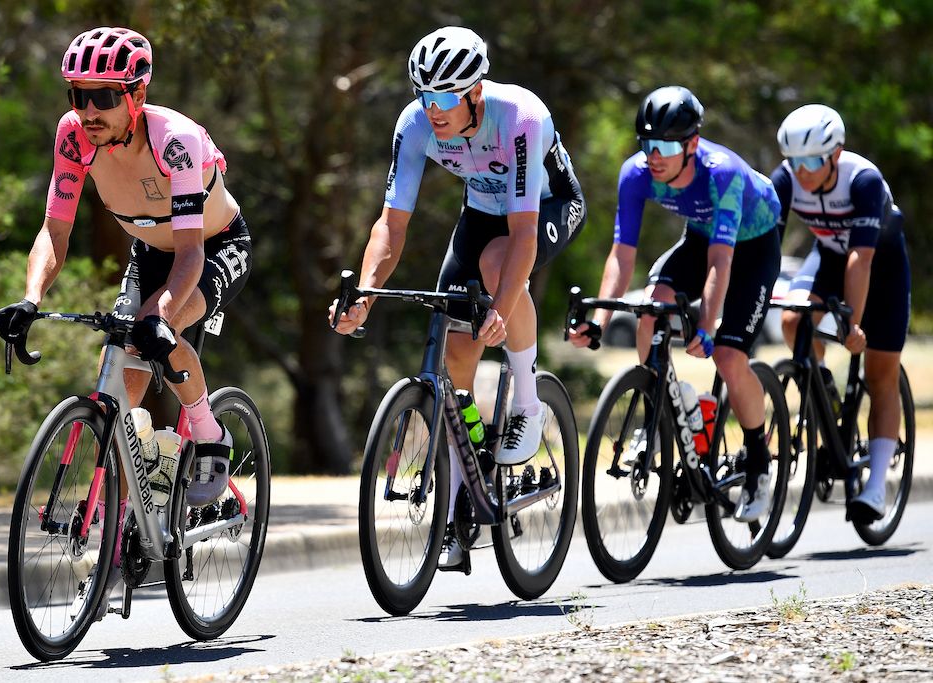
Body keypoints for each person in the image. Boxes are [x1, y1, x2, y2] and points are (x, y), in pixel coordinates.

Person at [0, 26, 252, 615]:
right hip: (148, 250)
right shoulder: (73, 137)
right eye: (77, 96)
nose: (87, 110)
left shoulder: (176, 141)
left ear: (136, 94)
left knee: (163, 332)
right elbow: (53, 233)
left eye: (104, 96)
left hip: (210, 246)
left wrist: (159, 314)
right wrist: (30, 299)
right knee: (120, 385)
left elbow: (189, 256)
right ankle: (118, 542)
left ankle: (209, 436)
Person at [330, 26, 586, 568]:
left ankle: (527, 400)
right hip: (480, 215)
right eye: (424, 96)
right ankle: (457, 509)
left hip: (547, 207)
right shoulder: (415, 124)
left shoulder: (520, 117)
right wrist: (366, 296)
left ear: (475, 91)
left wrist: (501, 306)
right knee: (454, 351)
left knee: (498, 268)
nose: (433, 109)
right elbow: (391, 225)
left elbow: (520, 236)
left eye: (445, 97)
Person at [568, 86, 783, 523]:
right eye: (647, 145)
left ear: (692, 144)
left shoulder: (721, 173)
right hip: (703, 237)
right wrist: (600, 320)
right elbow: (622, 255)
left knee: (727, 354)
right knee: (651, 306)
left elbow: (722, 261)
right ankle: (658, 415)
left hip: (754, 246)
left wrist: (705, 324)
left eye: (666, 146)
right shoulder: (635, 174)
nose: (654, 156)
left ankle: (760, 463)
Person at [772, 104, 910, 521]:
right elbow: (767, 248)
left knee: (879, 372)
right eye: (794, 161)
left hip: (879, 265)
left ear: (835, 153)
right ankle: (825, 394)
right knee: (794, 321)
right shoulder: (786, 179)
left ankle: (874, 487)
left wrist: (852, 323)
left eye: (813, 160)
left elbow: (861, 261)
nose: (803, 171)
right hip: (829, 257)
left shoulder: (863, 180)